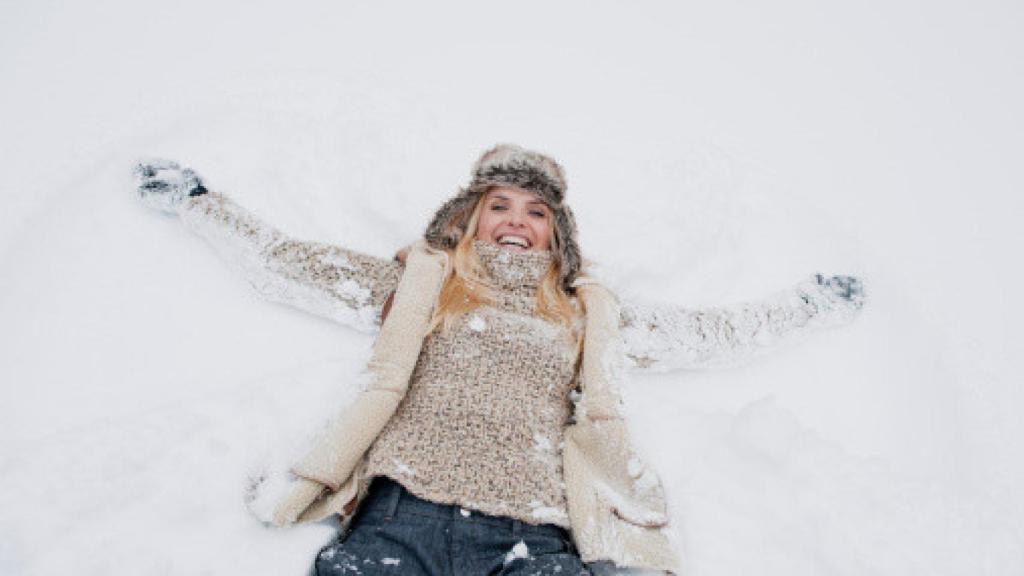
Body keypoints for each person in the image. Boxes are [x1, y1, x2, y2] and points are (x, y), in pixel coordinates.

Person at [133, 144, 865, 575]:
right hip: (399, 519)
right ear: (470, 218)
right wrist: (201, 202)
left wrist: (811, 304)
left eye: (536, 212)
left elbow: (712, 332)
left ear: (557, 233)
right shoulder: (424, 282)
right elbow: (289, 262)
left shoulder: (589, 312)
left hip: (533, 536)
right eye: (501, 206)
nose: (517, 221)